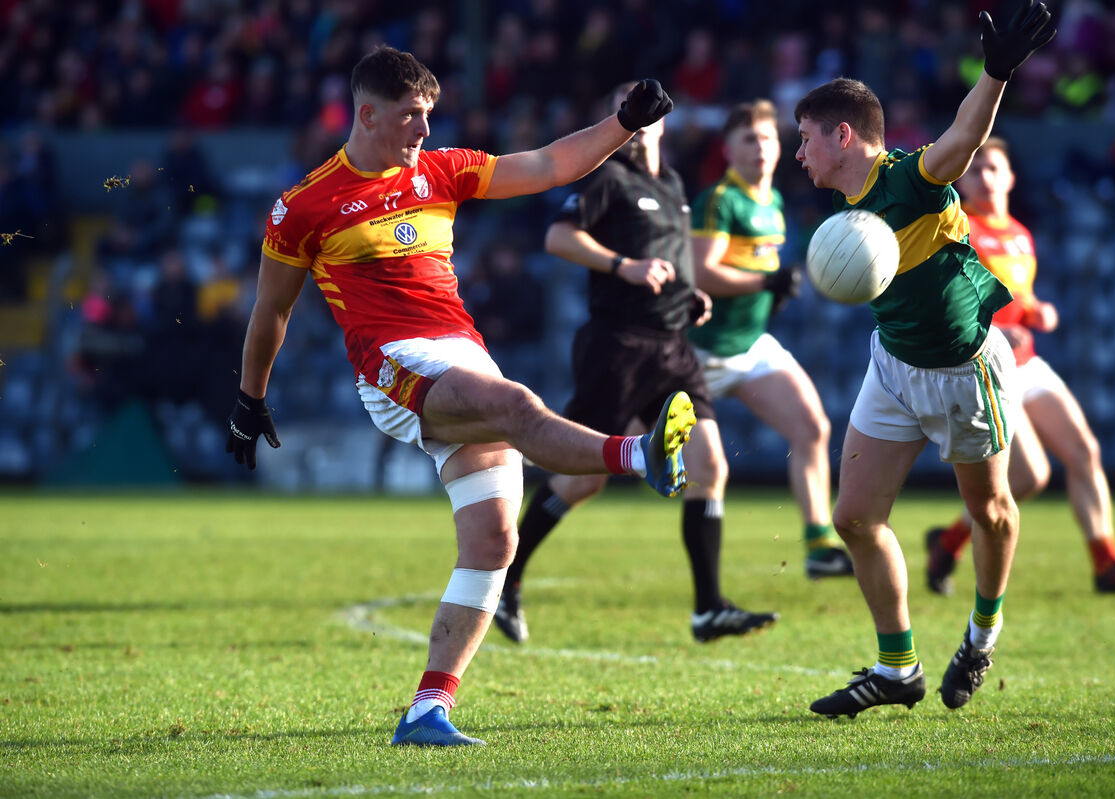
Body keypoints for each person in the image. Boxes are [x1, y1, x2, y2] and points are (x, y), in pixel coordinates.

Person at [225, 48, 696, 748]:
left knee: (494, 539)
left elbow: (547, 165)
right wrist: (249, 397)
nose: (422, 129)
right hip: (394, 368)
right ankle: (638, 454)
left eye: (429, 115)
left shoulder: (439, 169)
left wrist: (622, 123)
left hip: (460, 350)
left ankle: (427, 709)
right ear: (367, 114)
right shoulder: (304, 206)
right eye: (412, 116)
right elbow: (271, 313)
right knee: (516, 404)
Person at [795, 2, 1056, 719]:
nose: (800, 154)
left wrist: (996, 71)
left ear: (843, 134)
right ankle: (896, 667)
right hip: (892, 365)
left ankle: (981, 634)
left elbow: (965, 138)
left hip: (963, 369)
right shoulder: (845, 211)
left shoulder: (912, 177)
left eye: (806, 139)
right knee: (853, 518)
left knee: (992, 512)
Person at [491, 82, 779, 648]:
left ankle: (707, 608)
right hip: (617, 347)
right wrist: (622, 265)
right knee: (584, 478)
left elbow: (673, 259)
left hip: (672, 348)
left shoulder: (671, 184)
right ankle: (505, 581)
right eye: (629, 109)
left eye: (652, 112)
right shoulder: (607, 176)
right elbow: (557, 236)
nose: (643, 120)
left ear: (666, 121)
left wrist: (691, 296)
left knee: (711, 465)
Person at [924, 138, 1115, 596]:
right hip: (987, 364)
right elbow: (948, 305)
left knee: (1084, 451)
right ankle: (949, 542)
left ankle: (1106, 564)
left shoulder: (1019, 233)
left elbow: (1018, 296)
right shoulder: (959, 229)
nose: (985, 177)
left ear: (1011, 177)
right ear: (962, 180)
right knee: (1030, 476)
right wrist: (996, 327)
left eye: (994, 168)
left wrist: (1036, 311)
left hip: (1026, 361)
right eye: (975, 170)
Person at [689, 99, 853, 580]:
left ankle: (819, 545)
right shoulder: (722, 200)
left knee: (812, 427)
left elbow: (757, 273)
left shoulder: (774, 202)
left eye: (766, 138)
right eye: (748, 139)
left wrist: (774, 292)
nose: (760, 148)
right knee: (614, 458)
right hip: (697, 352)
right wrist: (767, 283)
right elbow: (702, 271)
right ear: (728, 149)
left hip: (750, 344)